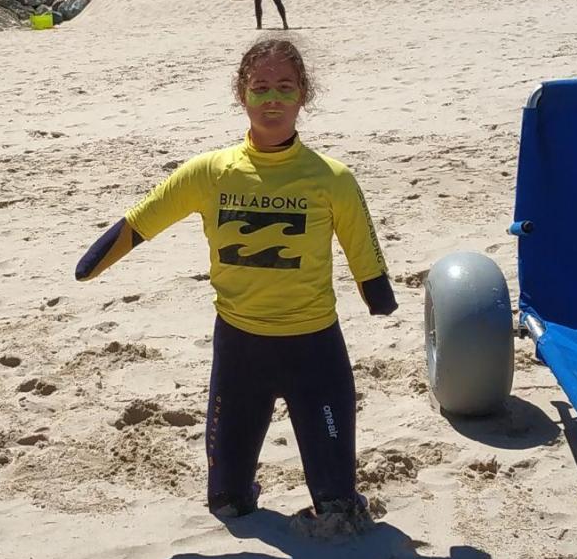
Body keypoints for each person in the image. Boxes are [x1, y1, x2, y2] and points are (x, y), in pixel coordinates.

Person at [74, 38, 397, 525]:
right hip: (240, 349)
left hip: (314, 348)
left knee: (336, 505)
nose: (272, 100)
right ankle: (238, 488)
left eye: (285, 88)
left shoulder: (332, 178)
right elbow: (142, 222)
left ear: (303, 96)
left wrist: (377, 292)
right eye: (260, 87)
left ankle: (334, 497)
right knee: (227, 503)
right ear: (241, 95)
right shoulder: (211, 173)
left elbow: (362, 249)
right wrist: (96, 260)